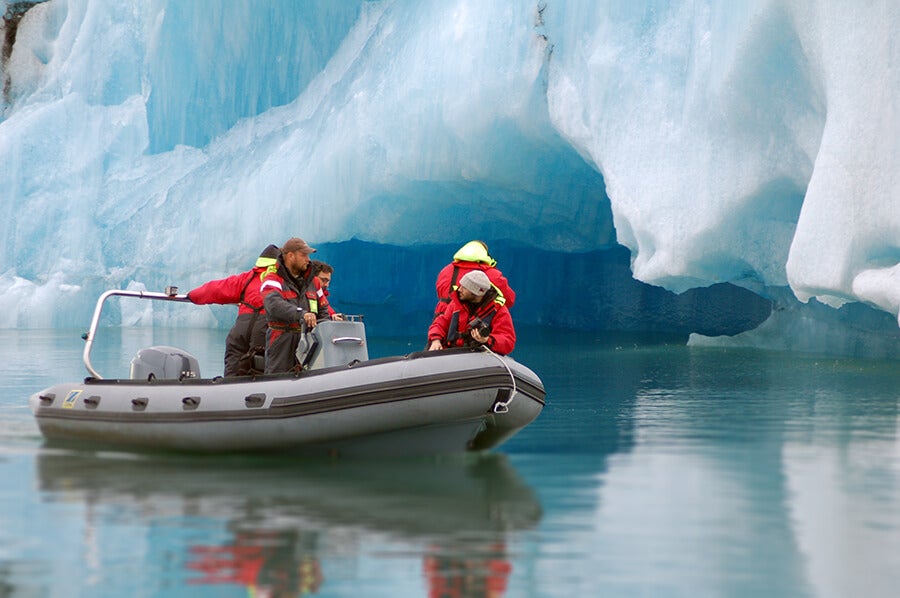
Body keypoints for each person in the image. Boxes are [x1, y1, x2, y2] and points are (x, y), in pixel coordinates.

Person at [186, 244, 280, 376]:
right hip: (263, 330)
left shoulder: (247, 278)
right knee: (258, 370)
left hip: (240, 329)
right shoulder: (279, 281)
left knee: (233, 367)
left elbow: (216, 288)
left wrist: (192, 295)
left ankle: (229, 391)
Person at [261, 237, 331, 374]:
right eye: (304, 255)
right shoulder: (273, 279)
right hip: (282, 341)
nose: (308, 259)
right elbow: (273, 304)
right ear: (290, 256)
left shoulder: (314, 283)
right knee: (278, 379)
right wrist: (301, 314)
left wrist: (327, 330)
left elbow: (323, 310)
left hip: (310, 341)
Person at [428, 270, 516, 355]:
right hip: (452, 354)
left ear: (475, 292)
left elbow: (507, 341)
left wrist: (487, 340)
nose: (459, 289)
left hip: (480, 358)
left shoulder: (498, 310)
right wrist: (436, 340)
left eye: (464, 287)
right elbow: (440, 323)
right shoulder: (456, 303)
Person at [434, 240, 515, 318]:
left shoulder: (446, 271)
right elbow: (509, 300)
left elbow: (441, 294)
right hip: (475, 323)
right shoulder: (493, 274)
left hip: (442, 320)